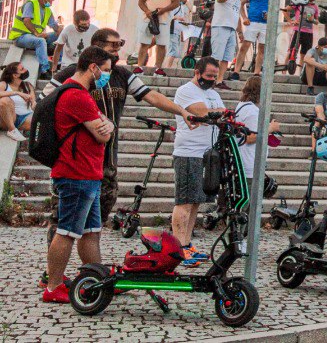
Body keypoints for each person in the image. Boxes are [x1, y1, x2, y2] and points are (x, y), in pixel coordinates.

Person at [45, 32, 189, 234]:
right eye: (113, 44)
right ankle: (54, 265)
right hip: (76, 160)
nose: (118, 48)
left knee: (95, 225)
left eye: (120, 43)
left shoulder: (121, 74)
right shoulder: (72, 74)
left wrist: (181, 111)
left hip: (107, 162)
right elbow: (43, 103)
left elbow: (152, 96)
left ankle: (91, 266)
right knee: (62, 222)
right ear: (96, 46)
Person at [42, 48, 115, 303]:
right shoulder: (77, 96)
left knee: (90, 231)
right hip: (76, 174)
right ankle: (53, 287)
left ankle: (99, 280)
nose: (107, 75)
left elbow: (105, 124)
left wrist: (109, 124)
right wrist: (107, 127)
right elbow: (102, 133)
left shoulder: (81, 94)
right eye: (105, 70)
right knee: (67, 232)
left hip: (88, 173)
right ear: (93, 67)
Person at [171, 57, 225, 265]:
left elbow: (224, 115)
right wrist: (218, 114)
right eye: (209, 75)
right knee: (184, 201)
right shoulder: (186, 91)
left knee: (196, 202)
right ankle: (178, 247)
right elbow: (203, 113)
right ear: (197, 72)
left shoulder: (213, 93)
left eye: (215, 76)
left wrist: (219, 114)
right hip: (188, 151)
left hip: (207, 152)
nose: (212, 79)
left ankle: (187, 244)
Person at [232, 75, 280, 192]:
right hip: (249, 165)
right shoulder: (252, 111)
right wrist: (270, 128)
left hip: (245, 162)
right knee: (247, 206)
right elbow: (250, 137)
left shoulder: (242, 106)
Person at [137, 0, 181, 70]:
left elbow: (176, 3)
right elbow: (141, 1)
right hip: (148, 19)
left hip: (164, 21)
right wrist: (147, 11)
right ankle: (139, 67)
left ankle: (158, 68)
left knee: (161, 45)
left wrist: (164, 10)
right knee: (144, 43)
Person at [10, 0, 57, 77]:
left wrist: (62, 31)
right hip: (21, 37)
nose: (53, 0)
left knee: (60, 35)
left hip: (34, 38)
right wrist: (37, 34)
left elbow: (54, 26)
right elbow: (26, 21)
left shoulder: (48, 11)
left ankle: (58, 63)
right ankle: (45, 70)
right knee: (41, 41)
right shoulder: (31, 4)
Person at [209, 0, 245, 85]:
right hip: (220, 26)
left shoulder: (238, 0)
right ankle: (210, 79)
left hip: (231, 29)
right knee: (216, 56)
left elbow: (237, 16)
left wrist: (240, 32)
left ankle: (219, 80)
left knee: (226, 57)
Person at [235, 0, 272, 76]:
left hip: (265, 24)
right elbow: (241, 4)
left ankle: (256, 72)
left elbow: (275, 7)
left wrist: (270, 15)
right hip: (253, 22)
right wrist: (244, 18)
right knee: (245, 46)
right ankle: (236, 71)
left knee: (262, 49)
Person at [288, 0, 324, 73]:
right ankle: (285, 71)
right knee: (292, 51)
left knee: (304, 54)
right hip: (298, 30)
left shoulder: (315, 7)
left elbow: (317, 22)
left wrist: (313, 20)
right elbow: (286, 9)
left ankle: (300, 73)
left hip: (308, 33)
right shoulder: (300, 1)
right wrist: (291, 21)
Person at [0, 61, 35, 141]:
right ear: (15, 75)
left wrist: (34, 104)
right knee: (4, 100)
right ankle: (12, 130)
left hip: (26, 116)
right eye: (22, 69)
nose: (26, 70)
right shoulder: (4, 84)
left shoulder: (27, 85)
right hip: (10, 117)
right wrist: (17, 93)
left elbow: (33, 102)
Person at [165, 0, 193, 72]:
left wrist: (182, 33)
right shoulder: (174, 6)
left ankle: (168, 67)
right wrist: (178, 18)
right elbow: (168, 16)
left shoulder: (181, 7)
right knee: (173, 51)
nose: (185, 1)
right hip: (172, 30)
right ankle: (167, 68)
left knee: (174, 51)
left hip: (177, 31)